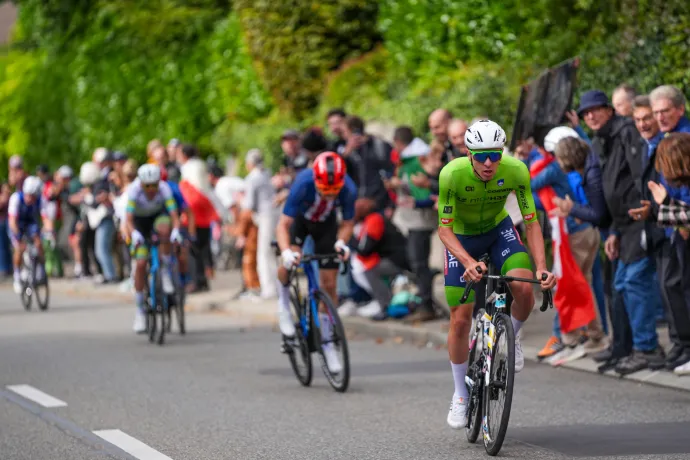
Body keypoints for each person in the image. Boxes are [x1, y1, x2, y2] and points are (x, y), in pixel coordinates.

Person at [436, 119, 556, 429]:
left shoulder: (515, 170)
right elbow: (444, 230)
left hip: (497, 230)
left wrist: (542, 267)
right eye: (481, 155)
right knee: (460, 318)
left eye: (495, 154)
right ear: (468, 153)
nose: (489, 163)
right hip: (461, 238)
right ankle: (461, 394)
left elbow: (531, 222)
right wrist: (466, 261)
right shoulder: (452, 174)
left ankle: (511, 334)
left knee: (525, 288)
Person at [275, 152, 357, 373]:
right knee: (290, 263)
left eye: (334, 192)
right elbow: (283, 225)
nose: (330, 196)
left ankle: (328, 343)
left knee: (329, 285)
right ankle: (283, 304)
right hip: (300, 223)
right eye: (324, 191)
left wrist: (341, 242)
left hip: (326, 226)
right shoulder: (303, 183)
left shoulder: (349, 187)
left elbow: (348, 222)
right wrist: (286, 252)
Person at [125, 164, 183, 333]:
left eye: (154, 185)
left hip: (157, 217)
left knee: (165, 229)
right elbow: (128, 219)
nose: (151, 189)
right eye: (147, 185)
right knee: (141, 264)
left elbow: (174, 215)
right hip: (139, 222)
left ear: (159, 182)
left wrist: (176, 231)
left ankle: (164, 269)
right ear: (141, 183)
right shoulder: (134, 190)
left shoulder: (164, 189)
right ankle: (140, 311)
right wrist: (134, 233)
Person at [8, 176, 48, 294]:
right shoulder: (16, 198)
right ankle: (17, 276)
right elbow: (12, 221)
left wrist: (49, 232)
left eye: (34, 197)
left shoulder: (41, 199)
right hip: (17, 223)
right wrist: (18, 238)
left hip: (31, 222)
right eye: (29, 195)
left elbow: (46, 219)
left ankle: (41, 270)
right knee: (19, 249)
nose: (31, 199)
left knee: (38, 242)